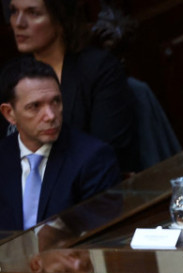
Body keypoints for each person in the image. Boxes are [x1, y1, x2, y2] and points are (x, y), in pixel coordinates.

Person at [8, 0, 139, 173]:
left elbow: (108, 154)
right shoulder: (13, 78)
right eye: (14, 11)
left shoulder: (98, 69)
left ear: (60, 19)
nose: (19, 23)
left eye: (33, 13)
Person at [0, 57, 120, 231]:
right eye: (35, 106)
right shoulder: (3, 156)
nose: (50, 115)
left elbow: (102, 235)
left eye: (55, 101)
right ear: (9, 113)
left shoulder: (93, 158)